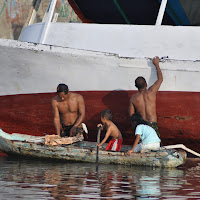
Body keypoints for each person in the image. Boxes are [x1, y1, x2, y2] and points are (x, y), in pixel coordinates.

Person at [128, 56, 163, 137]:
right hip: (152, 124)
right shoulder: (151, 92)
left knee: (143, 146)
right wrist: (157, 65)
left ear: (136, 86)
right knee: (155, 145)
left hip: (142, 126)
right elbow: (160, 79)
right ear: (146, 84)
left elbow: (132, 116)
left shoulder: (133, 98)